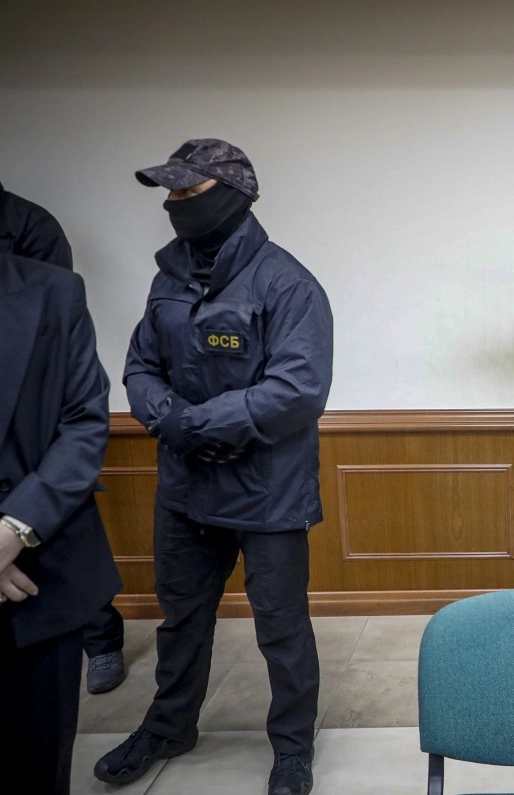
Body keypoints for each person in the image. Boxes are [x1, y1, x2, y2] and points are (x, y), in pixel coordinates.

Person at [93, 139, 334, 795]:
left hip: (268, 492)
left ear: (231, 195)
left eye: (186, 190)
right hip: (186, 488)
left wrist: (196, 423)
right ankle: (169, 727)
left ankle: (292, 748)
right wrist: (171, 418)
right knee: (181, 620)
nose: (172, 203)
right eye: (168, 192)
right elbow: (140, 366)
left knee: (281, 628)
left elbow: (297, 390)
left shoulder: (287, 283)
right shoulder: (168, 280)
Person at [0, 249, 122, 794]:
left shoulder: (56, 290)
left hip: (42, 574)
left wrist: (15, 529)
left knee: (40, 763)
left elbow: (84, 423)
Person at [0, 179, 129, 694]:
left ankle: (103, 641)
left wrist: (12, 530)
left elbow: (79, 416)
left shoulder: (36, 237)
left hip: (41, 542)